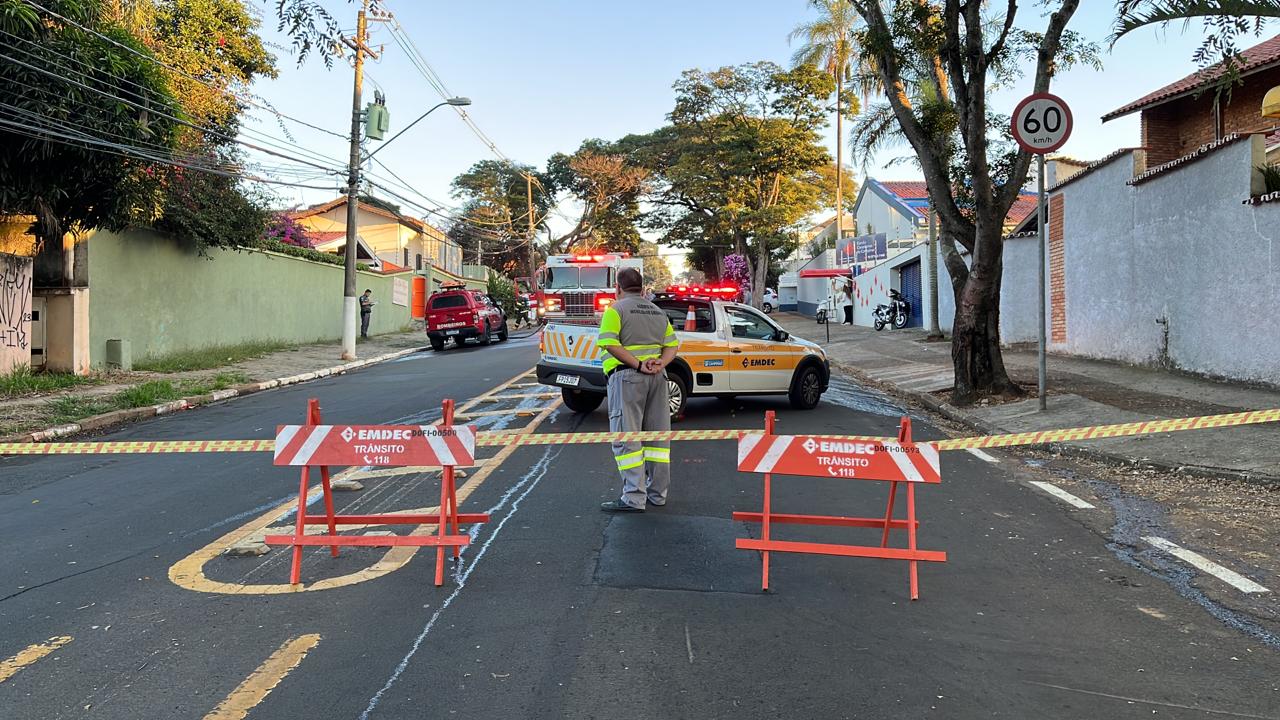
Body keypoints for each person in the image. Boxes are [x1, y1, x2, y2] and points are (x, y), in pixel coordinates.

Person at [597, 268, 680, 513]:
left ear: (618, 288)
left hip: (627, 379)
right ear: (642, 288)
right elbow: (672, 345)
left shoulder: (616, 310)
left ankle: (633, 497)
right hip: (658, 379)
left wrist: (638, 364)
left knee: (627, 437)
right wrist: (660, 364)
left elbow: (609, 343)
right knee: (658, 438)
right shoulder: (657, 311)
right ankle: (658, 494)